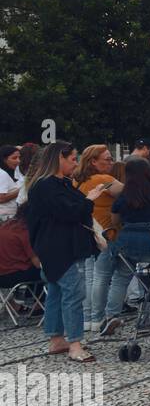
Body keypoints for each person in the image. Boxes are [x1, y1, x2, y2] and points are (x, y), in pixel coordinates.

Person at [25, 142, 105, 362]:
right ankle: (75, 344)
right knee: (73, 294)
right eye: (72, 158)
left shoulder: (52, 184)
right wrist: (89, 200)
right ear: (59, 158)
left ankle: (56, 338)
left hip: (52, 247)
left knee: (56, 293)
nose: (75, 163)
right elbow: (69, 212)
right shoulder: (49, 186)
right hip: (62, 247)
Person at [100, 155, 150, 332]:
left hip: (129, 243)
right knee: (148, 277)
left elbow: (115, 219)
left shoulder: (124, 195)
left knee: (120, 278)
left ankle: (111, 315)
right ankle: (145, 316)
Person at [75, 145, 123, 336]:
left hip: (87, 233)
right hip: (106, 234)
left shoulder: (77, 181)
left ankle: (87, 318)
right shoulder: (104, 179)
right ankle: (98, 318)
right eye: (107, 159)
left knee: (89, 277)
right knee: (101, 277)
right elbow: (127, 191)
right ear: (93, 161)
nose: (111, 162)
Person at [0, 145, 21, 223]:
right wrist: (22, 189)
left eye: (19, 158)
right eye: (14, 158)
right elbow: (1, 198)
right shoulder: (2, 174)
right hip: (5, 218)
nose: (18, 161)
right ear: (4, 159)